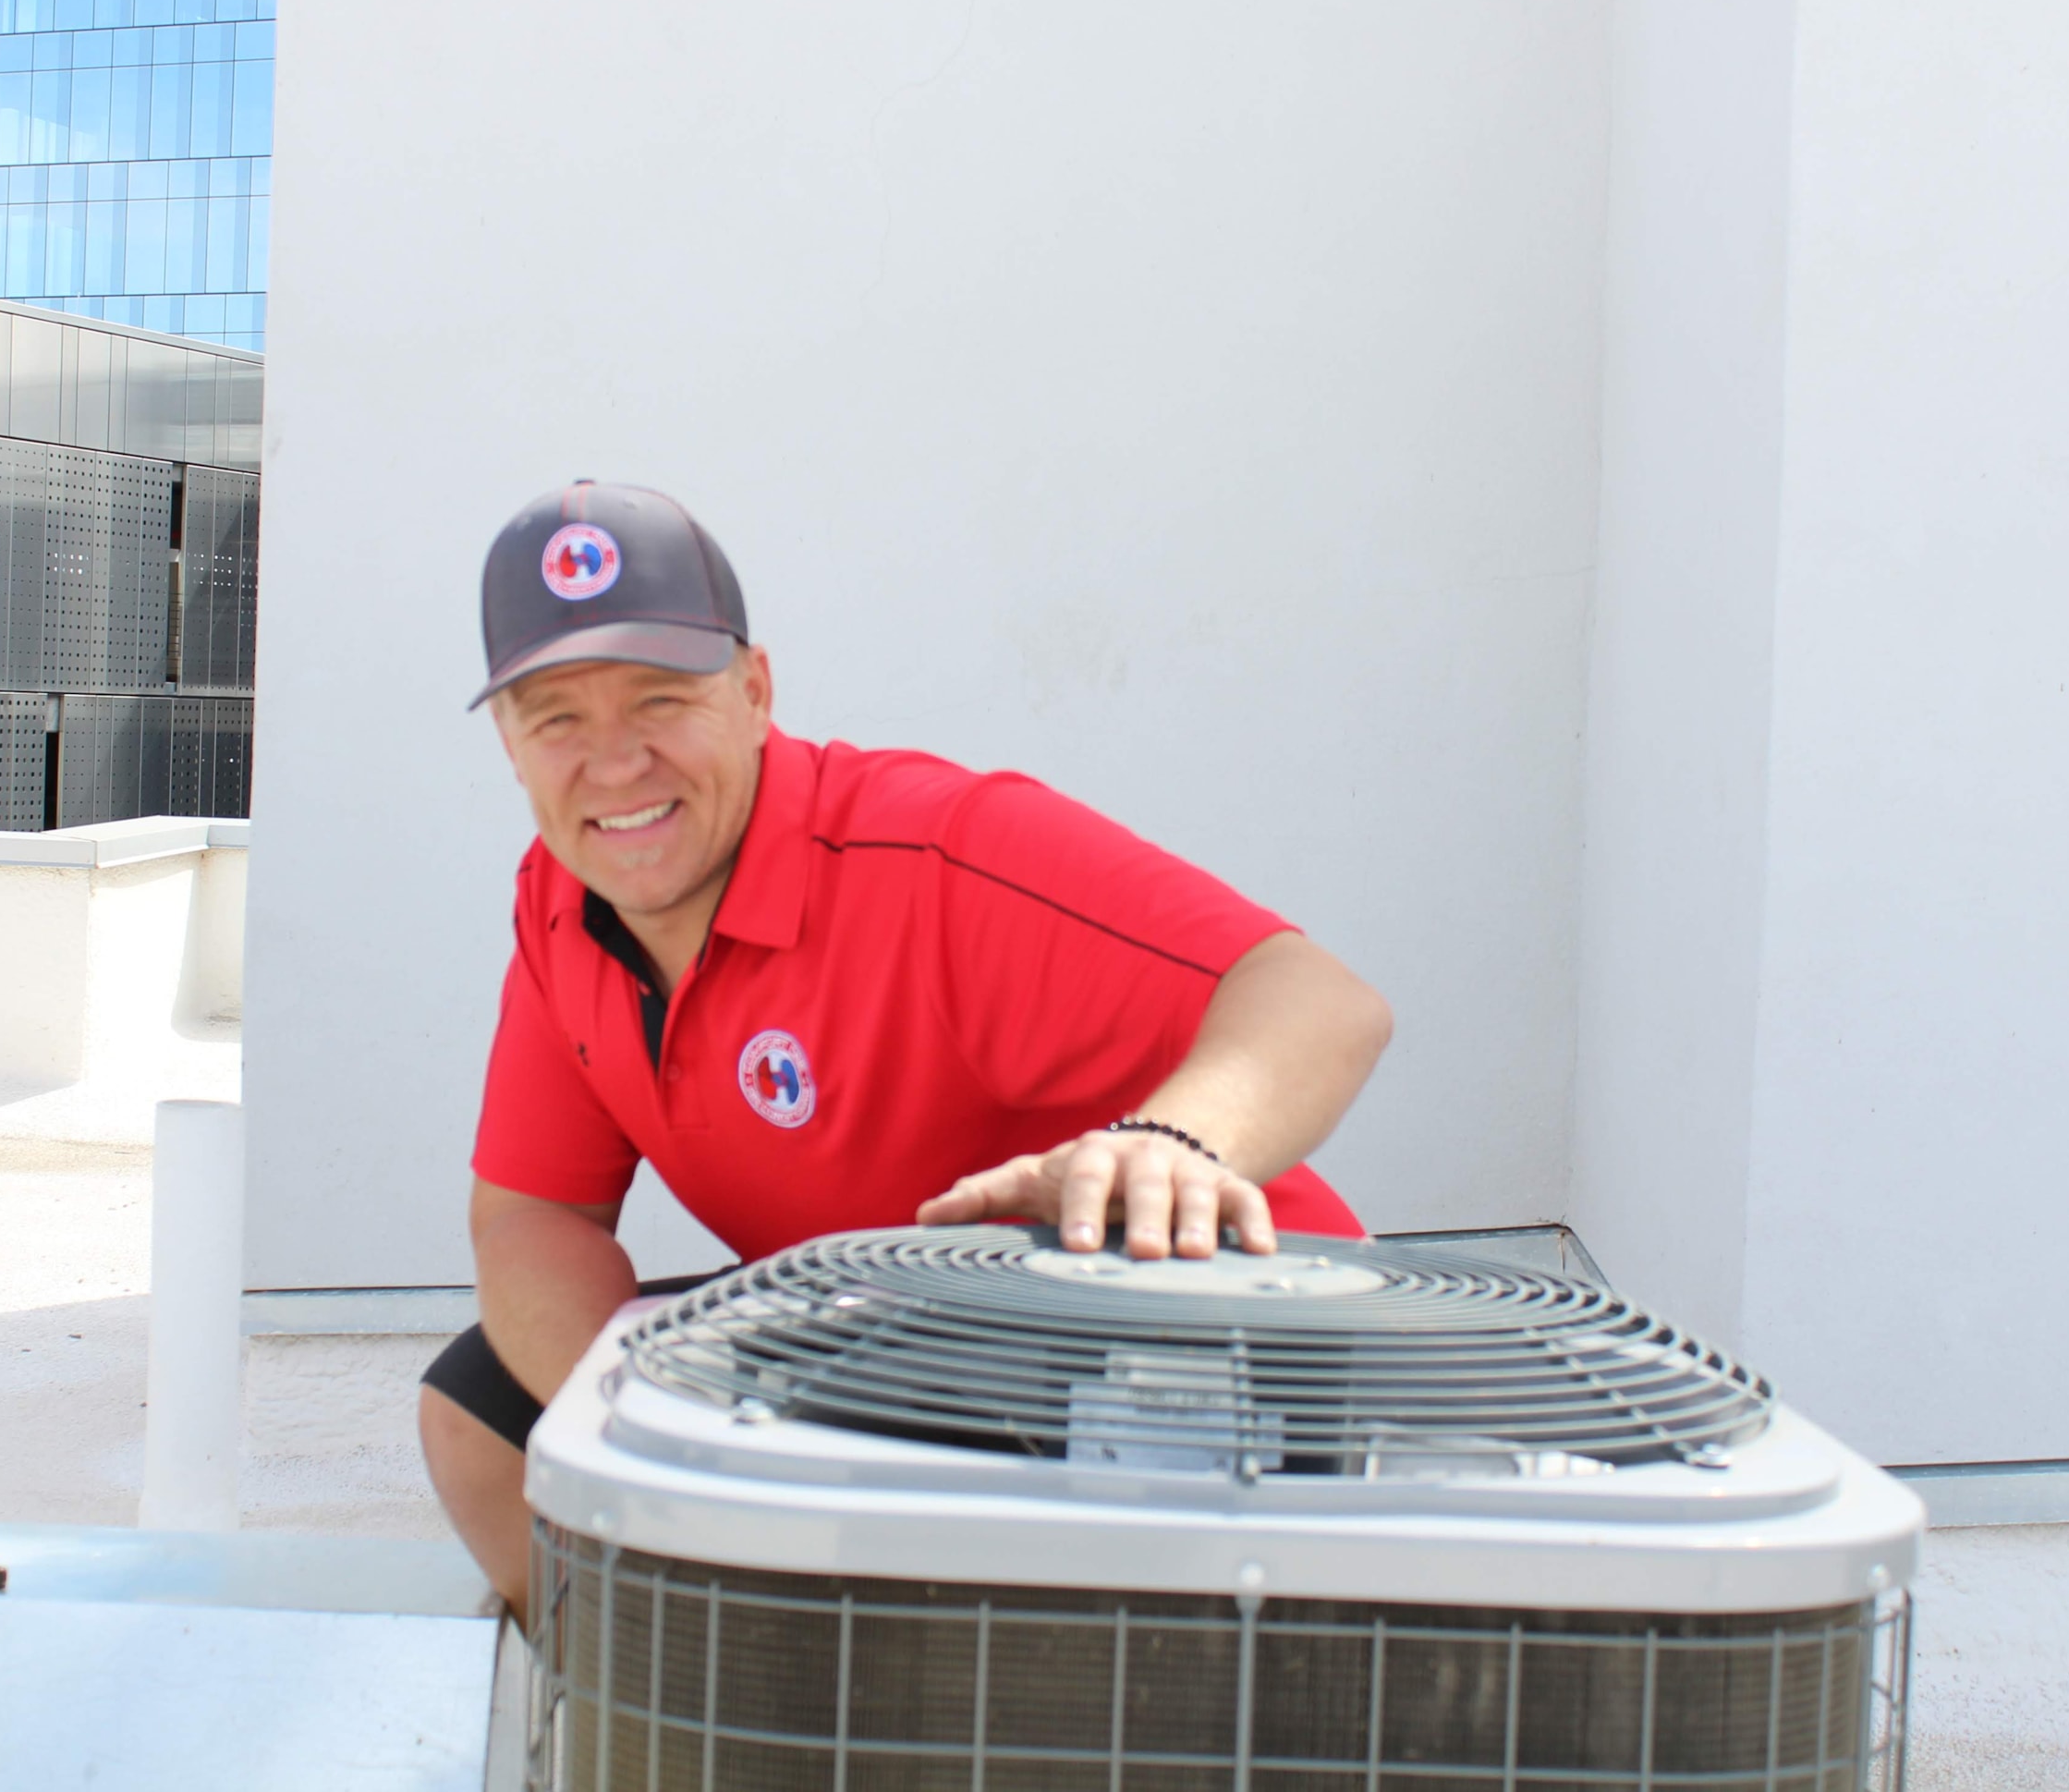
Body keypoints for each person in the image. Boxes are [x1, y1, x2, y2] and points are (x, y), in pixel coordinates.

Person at [420, 482, 1394, 1616]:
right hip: (897, 1332)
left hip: (1175, 1341)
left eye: (661, 699)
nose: (618, 761)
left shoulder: (935, 853)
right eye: (559, 720)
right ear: (510, 744)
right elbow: (530, 1216)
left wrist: (1176, 1142)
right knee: (484, 1428)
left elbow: (1324, 1001)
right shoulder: (561, 901)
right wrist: (645, 1422)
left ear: (754, 690)